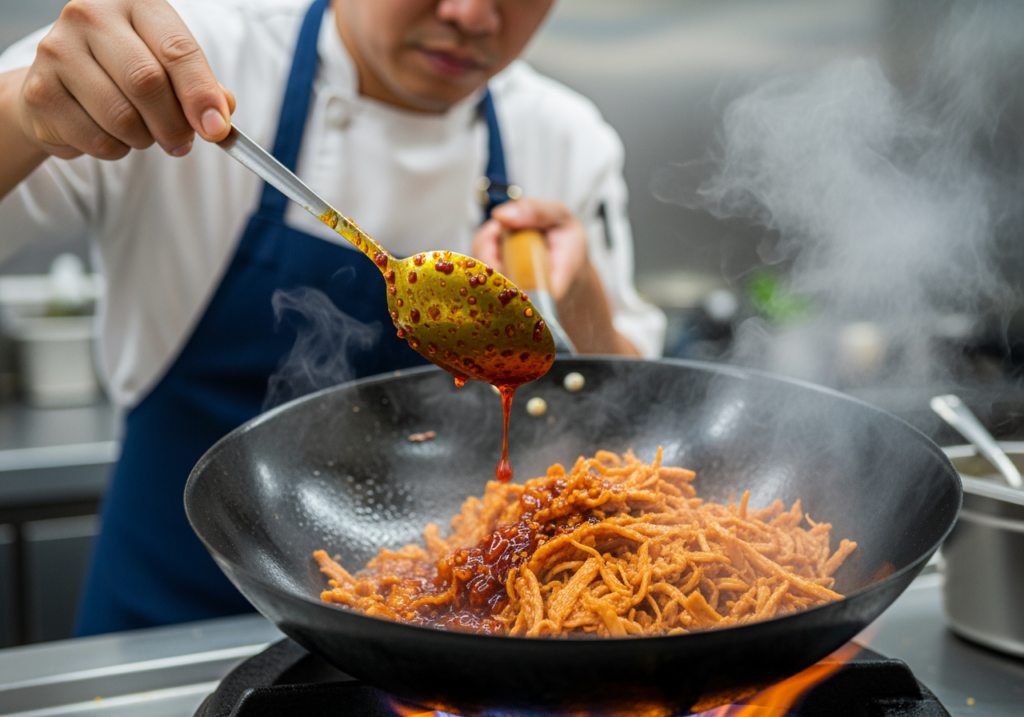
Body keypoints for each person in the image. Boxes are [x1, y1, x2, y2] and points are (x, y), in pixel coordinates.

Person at [0, 0, 665, 635]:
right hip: (169, 619)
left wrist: (577, 297)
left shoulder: (563, 134)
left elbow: (631, 415)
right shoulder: (182, 53)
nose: (472, 16)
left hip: (458, 635)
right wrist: (22, 113)